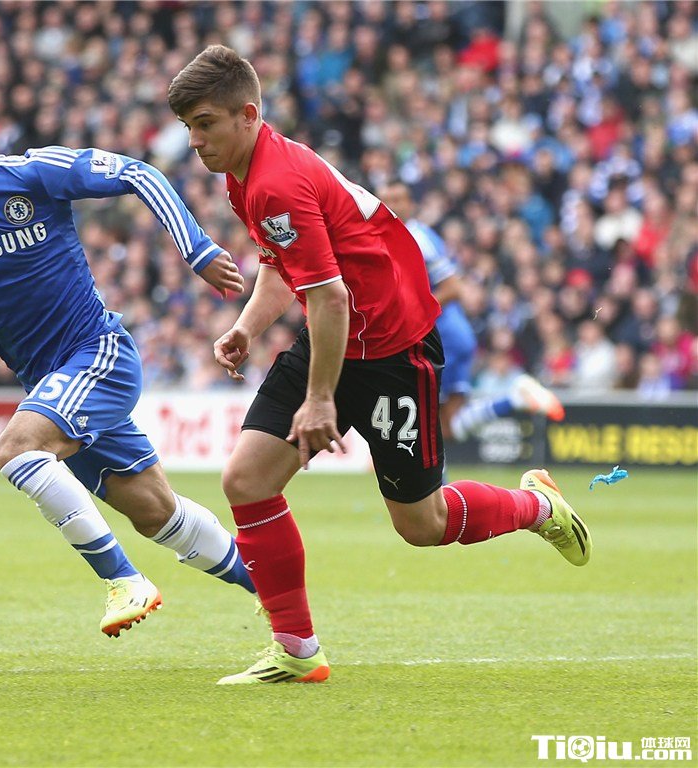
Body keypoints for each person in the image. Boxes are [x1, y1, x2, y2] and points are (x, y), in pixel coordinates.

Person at [168, 45, 591, 684]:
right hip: (335, 338)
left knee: (423, 524)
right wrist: (248, 328)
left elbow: (330, 296)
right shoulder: (244, 175)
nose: (195, 141)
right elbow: (285, 269)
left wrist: (320, 399)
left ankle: (536, 507)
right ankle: (297, 650)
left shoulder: (277, 181)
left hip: (394, 350)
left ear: (248, 115)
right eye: (188, 127)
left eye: (205, 124)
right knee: (247, 481)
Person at [0, 81, 256, 637]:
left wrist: (198, 249)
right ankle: (277, 594)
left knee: (16, 449)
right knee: (156, 512)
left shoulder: (35, 174)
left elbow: (139, 173)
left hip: (98, 354)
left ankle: (124, 580)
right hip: (50, 383)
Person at [379, 181, 565, 442]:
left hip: (444, 338)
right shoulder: (398, 236)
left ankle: (514, 397)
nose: (391, 206)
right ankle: (513, 399)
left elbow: (454, 288)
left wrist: (410, 314)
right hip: (444, 336)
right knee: (446, 428)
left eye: (398, 199)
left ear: (411, 204)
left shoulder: (416, 237)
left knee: (433, 425)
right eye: (385, 200)